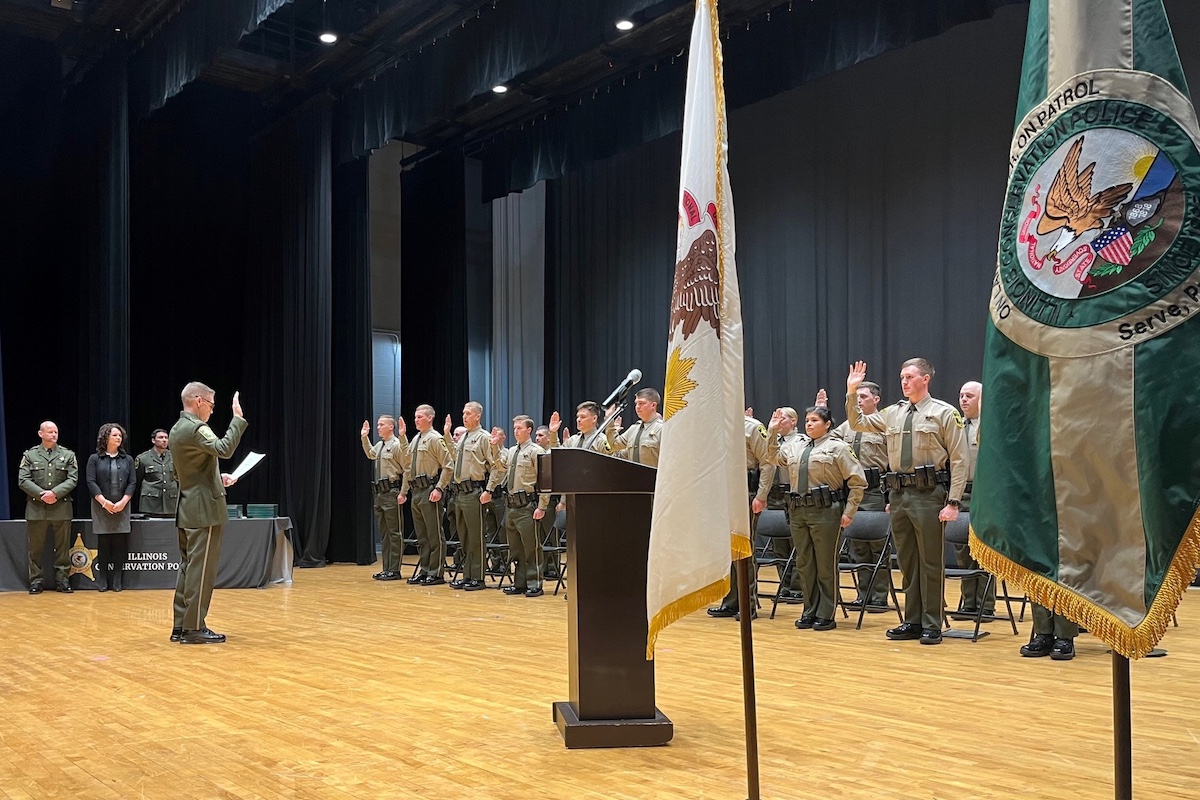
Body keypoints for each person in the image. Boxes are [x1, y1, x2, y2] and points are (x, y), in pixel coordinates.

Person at [845, 359, 967, 645]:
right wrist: (852, 392)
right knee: (908, 562)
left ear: (925, 379)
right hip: (899, 494)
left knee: (930, 561)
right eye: (902, 377)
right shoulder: (892, 413)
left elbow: (960, 460)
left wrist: (953, 501)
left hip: (930, 495)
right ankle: (912, 620)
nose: (904, 382)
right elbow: (857, 422)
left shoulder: (944, 413)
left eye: (910, 377)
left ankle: (932, 622)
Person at [767, 406, 866, 631]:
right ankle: (809, 610)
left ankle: (826, 613)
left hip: (825, 510)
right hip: (798, 510)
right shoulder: (796, 446)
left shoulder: (838, 448)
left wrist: (849, 512)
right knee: (804, 563)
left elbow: (857, 481)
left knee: (825, 564)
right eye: (807, 420)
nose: (809, 424)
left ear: (828, 424)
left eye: (814, 420)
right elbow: (773, 457)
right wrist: (772, 432)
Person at [170, 382, 247, 644]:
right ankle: (194, 628)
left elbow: (184, 471)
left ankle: (180, 625)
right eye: (212, 406)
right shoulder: (195, 428)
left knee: (188, 568)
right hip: (204, 510)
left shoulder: (176, 429)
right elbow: (224, 448)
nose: (212, 411)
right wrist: (237, 420)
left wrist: (216, 477)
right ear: (199, 401)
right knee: (202, 571)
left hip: (188, 505)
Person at [820, 383, 891, 610]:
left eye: (863, 396)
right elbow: (825, 439)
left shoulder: (885, 424)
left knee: (877, 545)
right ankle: (863, 593)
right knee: (858, 545)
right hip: (852, 491)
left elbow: (894, 461)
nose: (859, 400)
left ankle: (879, 596)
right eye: (856, 396)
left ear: (876, 399)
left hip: (875, 490)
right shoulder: (847, 426)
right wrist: (822, 410)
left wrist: (890, 498)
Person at [708, 409, 774, 620]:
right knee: (727, 551)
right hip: (722, 494)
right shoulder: (715, 427)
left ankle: (748, 603)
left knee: (744, 549)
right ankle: (731, 601)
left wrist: (762, 495)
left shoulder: (752, 427)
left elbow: (767, 463)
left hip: (746, 492)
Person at [489, 415, 551, 597]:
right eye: (514, 428)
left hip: (527, 506)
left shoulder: (536, 451)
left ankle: (535, 583)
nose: (516, 431)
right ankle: (520, 583)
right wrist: (494, 446)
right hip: (511, 506)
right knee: (516, 549)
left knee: (531, 547)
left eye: (519, 428)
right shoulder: (511, 452)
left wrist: (542, 506)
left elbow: (545, 480)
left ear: (529, 430)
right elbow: (500, 466)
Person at [444, 402, 501, 590]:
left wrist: (489, 490)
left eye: (468, 413)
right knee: (464, 537)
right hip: (459, 492)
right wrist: (446, 435)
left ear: (477, 416)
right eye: (463, 413)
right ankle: (467, 575)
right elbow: (454, 457)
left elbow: (495, 466)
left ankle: (478, 576)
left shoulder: (484, 438)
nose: (464, 416)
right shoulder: (464, 438)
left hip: (474, 491)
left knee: (476, 536)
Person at [18, 421, 79, 594]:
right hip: (37, 508)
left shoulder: (68, 455)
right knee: (35, 549)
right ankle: (36, 581)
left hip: (61, 507)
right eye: (50, 432)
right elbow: (23, 479)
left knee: (63, 548)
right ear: (41, 434)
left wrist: (54, 493)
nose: (54, 435)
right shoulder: (30, 455)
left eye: (56, 432)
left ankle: (63, 580)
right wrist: (42, 494)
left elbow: (72, 479)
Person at [952, 380, 994, 618]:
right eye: (961, 396)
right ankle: (968, 603)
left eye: (969, 396)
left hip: (983, 493)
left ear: (981, 399)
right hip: (961, 493)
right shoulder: (956, 426)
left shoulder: (989, 426)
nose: (964, 400)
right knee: (962, 550)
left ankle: (986, 605)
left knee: (984, 550)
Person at [398, 404, 453, 586]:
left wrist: (439, 488)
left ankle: (436, 572)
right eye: (415, 417)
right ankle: (425, 569)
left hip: (430, 490)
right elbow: (407, 463)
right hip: (416, 491)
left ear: (430, 418)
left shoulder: (435, 439)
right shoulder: (416, 440)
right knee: (422, 536)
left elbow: (448, 465)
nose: (416, 420)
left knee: (434, 534)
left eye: (420, 416)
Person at [86, 423, 137, 592]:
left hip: (122, 505)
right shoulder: (95, 458)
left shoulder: (127, 459)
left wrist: (123, 501)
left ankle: (117, 580)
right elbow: (91, 482)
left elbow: (132, 482)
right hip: (101, 506)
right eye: (115, 435)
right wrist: (104, 502)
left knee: (120, 543)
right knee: (104, 542)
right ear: (106, 437)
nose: (118, 438)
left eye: (120, 436)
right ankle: (103, 580)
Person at [361, 415, 406, 581]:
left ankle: (394, 569)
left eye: (381, 425)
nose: (378, 427)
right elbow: (371, 454)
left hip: (392, 491)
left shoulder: (396, 446)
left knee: (395, 532)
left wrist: (403, 492)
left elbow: (406, 469)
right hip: (379, 493)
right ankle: (386, 567)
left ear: (390, 427)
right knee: (385, 534)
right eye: (378, 425)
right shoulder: (380, 445)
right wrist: (364, 437)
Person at [608, 388, 663, 466]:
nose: (637, 407)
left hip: (654, 477)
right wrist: (609, 420)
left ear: (653, 405)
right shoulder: (633, 429)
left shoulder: (662, 429)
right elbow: (614, 445)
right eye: (636, 403)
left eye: (641, 403)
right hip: (634, 476)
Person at [135, 428, 178, 517]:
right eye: (161, 437)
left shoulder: (175, 457)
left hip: (171, 502)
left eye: (166, 438)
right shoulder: (143, 458)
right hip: (151, 503)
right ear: (153, 440)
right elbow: (137, 480)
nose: (164, 440)